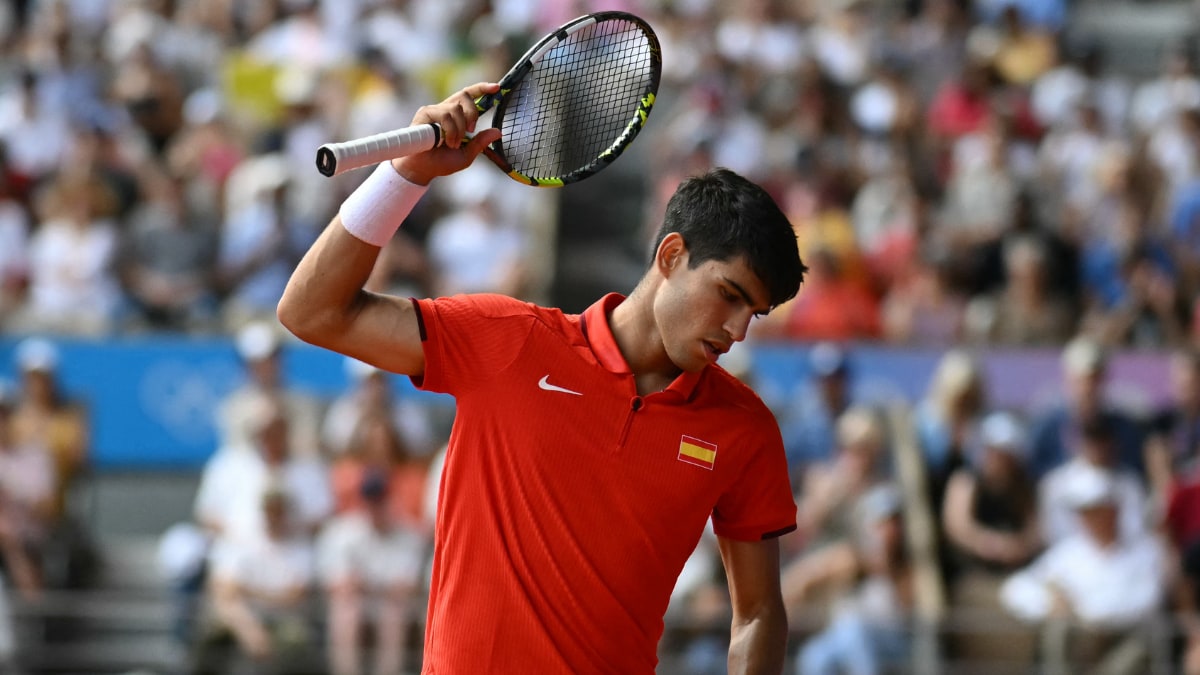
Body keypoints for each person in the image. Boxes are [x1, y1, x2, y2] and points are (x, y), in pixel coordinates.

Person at [278, 82, 807, 673]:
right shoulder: (504, 337)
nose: (738, 331)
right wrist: (405, 176)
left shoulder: (746, 430)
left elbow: (758, 612)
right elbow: (310, 312)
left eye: (753, 313)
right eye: (729, 295)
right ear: (671, 255)